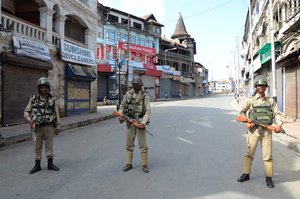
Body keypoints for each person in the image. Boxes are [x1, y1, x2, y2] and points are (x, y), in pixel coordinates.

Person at [237, 75, 283, 188]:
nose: (261, 88)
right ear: (256, 87)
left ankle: (269, 178)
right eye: (258, 86)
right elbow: (242, 112)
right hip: (253, 131)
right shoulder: (250, 101)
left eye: (263, 86)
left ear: (266, 87)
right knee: (249, 154)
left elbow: (277, 114)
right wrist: (247, 123)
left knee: (267, 156)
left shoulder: (271, 101)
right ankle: (246, 174)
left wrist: (279, 124)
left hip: (267, 132)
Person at [24, 77, 61, 174]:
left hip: (49, 126)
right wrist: (30, 120)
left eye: (46, 87)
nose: (44, 89)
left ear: (48, 88)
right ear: (39, 88)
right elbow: (26, 112)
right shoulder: (33, 100)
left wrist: (58, 126)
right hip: (36, 127)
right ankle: (37, 165)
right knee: (37, 146)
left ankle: (50, 164)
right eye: (42, 87)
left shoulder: (52, 100)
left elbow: (56, 114)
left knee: (49, 145)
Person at [119, 76, 151, 173]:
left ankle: (144, 165)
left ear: (141, 85)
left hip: (140, 121)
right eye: (134, 84)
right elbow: (122, 106)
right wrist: (121, 115)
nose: (136, 86)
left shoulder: (145, 96)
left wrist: (143, 122)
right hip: (130, 121)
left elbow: (148, 111)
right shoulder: (128, 94)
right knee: (129, 144)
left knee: (143, 145)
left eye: (138, 84)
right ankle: (129, 164)